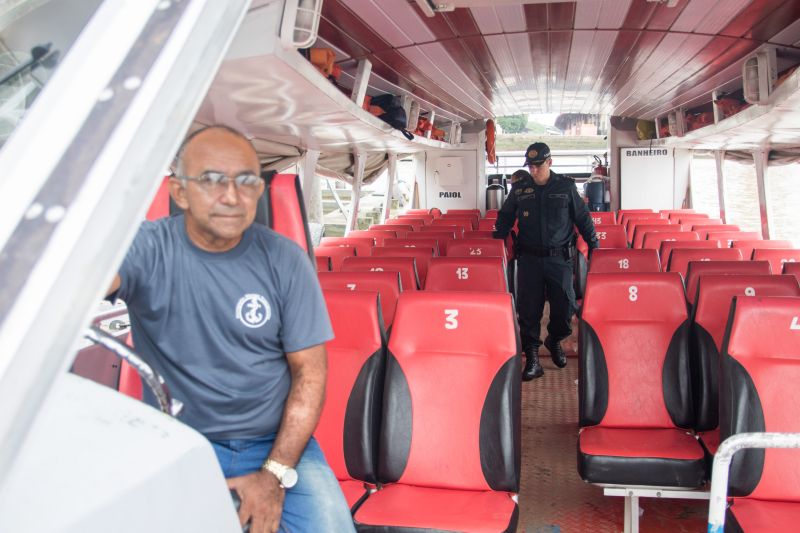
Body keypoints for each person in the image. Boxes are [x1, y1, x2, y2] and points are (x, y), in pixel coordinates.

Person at [107, 125, 355, 533]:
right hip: (180, 443)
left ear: (259, 191)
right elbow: (74, 284)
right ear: (179, 192)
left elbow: (310, 373)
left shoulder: (285, 261)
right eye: (211, 180)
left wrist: (274, 475)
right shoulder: (145, 249)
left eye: (246, 181)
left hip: (275, 444)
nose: (232, 196)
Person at [494, 142, 598, 381]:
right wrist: (498, 241)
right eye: (530, 166)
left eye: (538, 165)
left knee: (565, 308)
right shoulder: (520, 190)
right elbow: (505, 218)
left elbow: (583, 219)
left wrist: (594, 246)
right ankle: (532, 358)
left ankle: (555, 339)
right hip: (529, 259)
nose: (533, 170)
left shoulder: (566, 187)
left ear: (549, 163)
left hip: (559, 259)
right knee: (528, 311)